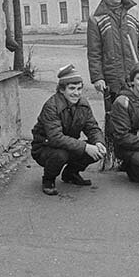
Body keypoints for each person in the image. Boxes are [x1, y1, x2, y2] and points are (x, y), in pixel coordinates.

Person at [87, 0, 139, 163]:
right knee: (118, 119)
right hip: (112, 79)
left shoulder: (134, 11)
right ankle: (121, 158)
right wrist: (97, 77)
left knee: (138, 114)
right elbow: (94, 52)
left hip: (134, 76)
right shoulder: (96, 18)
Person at [30, 65, 106, 196]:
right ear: (61, 90)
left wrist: (99, 142)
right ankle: (48, 180)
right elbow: (56, 138)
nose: (76, 93)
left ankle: (70, 174)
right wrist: (85, 147)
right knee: (60, 155)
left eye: (79, 88)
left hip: (68, 145)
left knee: (97, 150)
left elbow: (92, 127)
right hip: (45, 147)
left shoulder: (83, 104)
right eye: (71, 88)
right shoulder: (51, 107)